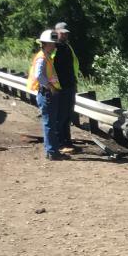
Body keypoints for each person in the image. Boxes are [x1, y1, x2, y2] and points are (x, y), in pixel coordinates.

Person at [27, 29, 67, 161]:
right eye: (52, 43)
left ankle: (52, 150)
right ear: (46, 44)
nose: (55, 45)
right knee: (49, 123)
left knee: (50, 123)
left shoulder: (46, 56)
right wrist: (50, 87)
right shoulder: (42, 57)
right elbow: (39, 75)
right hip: (47, 94)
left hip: (47, 94)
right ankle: (52, 152)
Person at [53, 21, 81, 152]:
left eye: (66, 33)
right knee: (61, 116)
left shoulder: (67, 47)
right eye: (62, 33)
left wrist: (74, 82)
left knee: (68, 115)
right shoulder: (53, 47)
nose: (65, 35)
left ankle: (67, 142)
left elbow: (72, 66)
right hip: (59, 87)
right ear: (57, 32)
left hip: (70, 85)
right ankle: (60, 143)